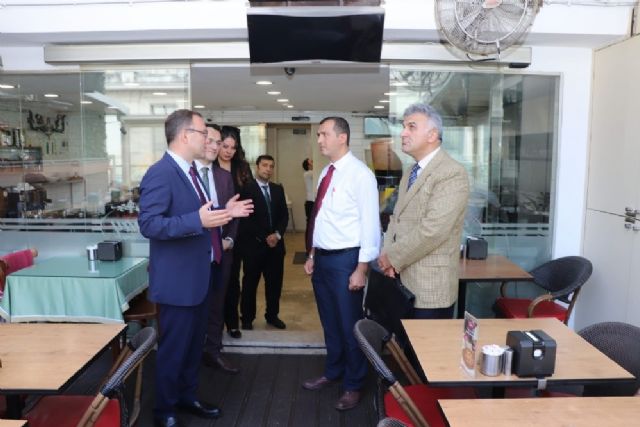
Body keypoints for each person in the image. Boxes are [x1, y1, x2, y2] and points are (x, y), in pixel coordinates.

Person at [138, 109, 253, 427]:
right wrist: (197, 220)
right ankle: (164, 411)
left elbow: (201, 215)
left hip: (200, 277)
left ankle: (187, 397)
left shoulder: (190, 172)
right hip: (178, 283)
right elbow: (149, 224)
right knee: (174, 349)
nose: (208, 140)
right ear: (185, 135)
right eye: (203, 133)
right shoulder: (161, 173)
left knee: (192, 348)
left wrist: (225, 211)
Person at [302, 117, 380, 411]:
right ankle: (333, 371)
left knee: (349, 326)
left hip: (347, 260)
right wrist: (312, 254)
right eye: (319, 135)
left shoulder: (361, 175)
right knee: (330, 323)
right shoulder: (326, 171)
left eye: (324, 134)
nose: (319, 140)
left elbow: (370, 225)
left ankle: (354, 384)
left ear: (342, 137)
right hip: (323, 259)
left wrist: (361, 268)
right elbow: (321, 218)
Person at [377, 103, 470, 319]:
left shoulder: (452, 173)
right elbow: (396, 219)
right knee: (402, 339)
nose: (403, 133)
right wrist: (387, 256)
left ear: (432, 135)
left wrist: (392, 258)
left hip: (429, 289)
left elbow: (433, 230)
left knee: (424, 342)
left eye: (411, 127)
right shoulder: (411, 171)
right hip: (401, 280)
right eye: (404, 127)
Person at [196, 124, 240, 374]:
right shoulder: (186, 175)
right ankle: (193, 355)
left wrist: (229, 240)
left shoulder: (224, 177)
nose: (214, 146)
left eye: (218, 142)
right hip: (193, 257)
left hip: (221, 254)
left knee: (217, 306)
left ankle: (214, 352)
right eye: (210, 141)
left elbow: (233, 215)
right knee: (194, 309)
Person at [238, 154, 289, 330]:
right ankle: (247, 318)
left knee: (274, 284)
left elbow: (284, 216)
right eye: (265, 165)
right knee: (250, 284)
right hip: (254, 247)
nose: (268, 169)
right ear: (257, 167)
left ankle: (272, 315)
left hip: (276, 247)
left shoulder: (278, 189)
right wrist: (264, 237)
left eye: (271, 166)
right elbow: (246, 218)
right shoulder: (246, 189)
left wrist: (277, 235)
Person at [215, 125, 253, 339]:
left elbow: (249, 197)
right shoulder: (209, 166)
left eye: (233, 147)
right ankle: (215, 324)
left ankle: (232, 323)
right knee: (215, 281)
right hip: (214, 227)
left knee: (232, 280)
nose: (229, 151)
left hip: (238, 231)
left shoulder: (242, 167)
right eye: (225, 146)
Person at [302, 157, 315, 254]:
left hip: (313, 203)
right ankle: (308, 249)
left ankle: (312, 249)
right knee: (310, 227)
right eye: (311, 161)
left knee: (313, 227)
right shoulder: (308, 174)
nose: (313, 161)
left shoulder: (310, 174)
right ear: (308, 165)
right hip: (310, 203)